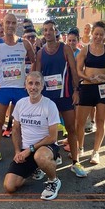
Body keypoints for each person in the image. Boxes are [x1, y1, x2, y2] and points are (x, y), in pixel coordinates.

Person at [0, 13, 36, 167]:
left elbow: (34, 61)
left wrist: (29, 80)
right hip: (2, 89)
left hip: (20, 90)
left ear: (16, 25)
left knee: (22, 124)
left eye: (13, 23)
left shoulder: (24, 44)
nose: (10, 25)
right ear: (3, 25)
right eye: (7, 23)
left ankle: (23, 152)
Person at [36, 20, 87, 178]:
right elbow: (37, 75)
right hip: (48, 98)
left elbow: (73, 70)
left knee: (71, 128)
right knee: (47, 131)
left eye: (51, 29)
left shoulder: (65, 48)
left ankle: (75, 161)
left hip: (65, 95)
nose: (48, 32)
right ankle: (48, 160)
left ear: (55, 31)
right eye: (45, 30)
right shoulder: (40, 53)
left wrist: (76, 90)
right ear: (43, 33)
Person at [3, 71, 62, 201]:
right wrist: (18, 151)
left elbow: (53, 137)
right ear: (25, 85)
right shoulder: (21, 104)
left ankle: (54, 181)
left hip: (46, 146)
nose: (33, 87)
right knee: (10, 186)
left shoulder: (50, 105)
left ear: (42, 86)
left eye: (37, 84)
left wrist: (29, 150)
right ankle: (36, 167)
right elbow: (16, 129)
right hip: (26, 150)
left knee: (39, 156)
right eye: (30, 83)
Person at [76, 21, 105, 165]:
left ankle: (96, 151)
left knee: (100, 121)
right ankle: (80, 148)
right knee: (80, 122)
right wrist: (87, 78)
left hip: (102, 88)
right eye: (96, 34)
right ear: (92, 34)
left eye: (101, 34)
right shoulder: (85, 50)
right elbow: (79, 70)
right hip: (87, 87)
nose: (98, 37)